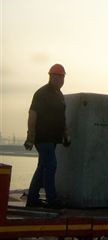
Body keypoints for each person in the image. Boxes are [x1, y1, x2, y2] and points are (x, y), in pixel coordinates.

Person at [24, 63, 71, 208]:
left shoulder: (59, 95)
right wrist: (31, 136)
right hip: (43, 138)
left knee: (43, 166)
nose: (60, 80)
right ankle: (52, 200)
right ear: (51, 77)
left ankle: (32, 198)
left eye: (62, 77)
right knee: (51, 165)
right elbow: (32, 114)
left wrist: (65, 134)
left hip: (53, 139)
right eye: (57, 77)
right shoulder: (41, 93)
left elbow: (61, 117)